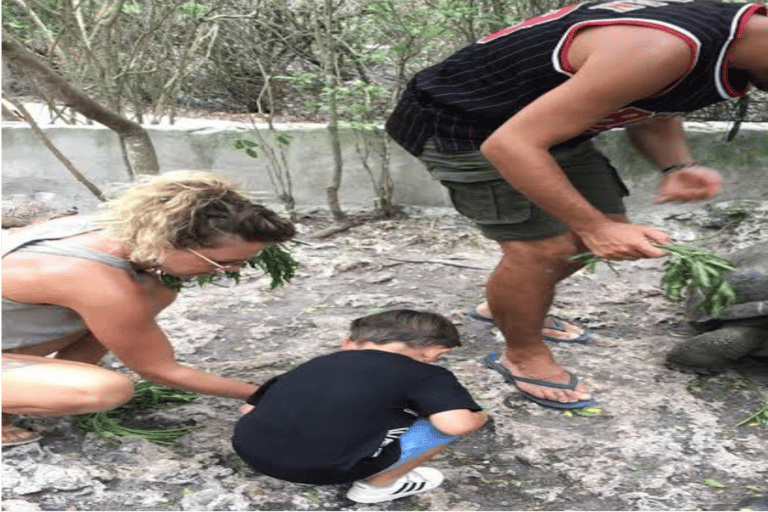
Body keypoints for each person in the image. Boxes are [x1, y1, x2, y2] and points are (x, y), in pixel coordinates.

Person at [386, 1, 768, 409]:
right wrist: (594, 227)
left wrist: (675, 164)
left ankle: (509, 307)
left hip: (546, 128)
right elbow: (509, 144)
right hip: (464, 125)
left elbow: (654, 108)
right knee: (545, 250)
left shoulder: (731, 43)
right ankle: (522, 353)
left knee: (592, 238)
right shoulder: (658, 48)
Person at [1, 171, 296, 447]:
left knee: (153, 293)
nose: (233, 270)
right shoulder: (96, 281)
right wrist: (266, 393)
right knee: (106, 389)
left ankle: (30, 386)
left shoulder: (111, 231)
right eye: (222, 263)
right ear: (169, 242)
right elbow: (160, 370)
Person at [232, 309, 488, 504]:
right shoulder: (426, 374)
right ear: (433, 353)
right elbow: (456, 424)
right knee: (439, 425)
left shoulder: (319, 363)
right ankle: (378, 486)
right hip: (322, 470)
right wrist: (480, 417)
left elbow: (249, 409)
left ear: (350, 342)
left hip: (252, 454)